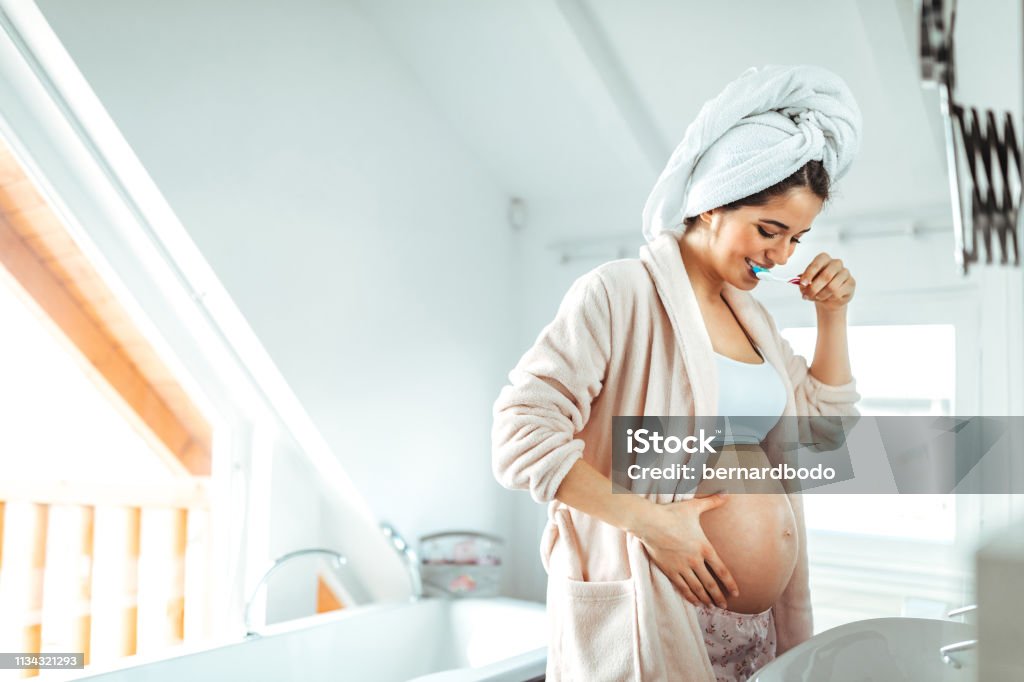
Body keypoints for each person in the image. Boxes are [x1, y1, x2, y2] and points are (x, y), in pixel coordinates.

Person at [491, 65, 862, 681]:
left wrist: (833, 317)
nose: (781, 255)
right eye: (769, 230)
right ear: (714, 203)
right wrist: (653, 523)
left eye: (797, 238)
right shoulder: (619, 294)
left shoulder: (755, 323)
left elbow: (824, 433)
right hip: (656, 612)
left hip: (754, 633)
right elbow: (518, 436)